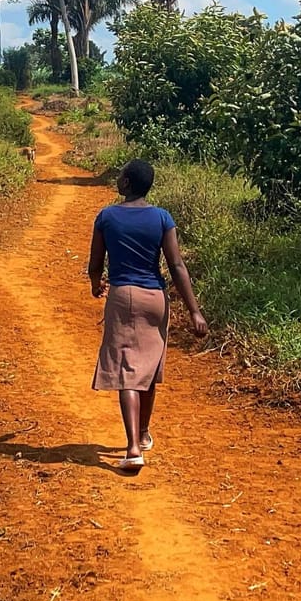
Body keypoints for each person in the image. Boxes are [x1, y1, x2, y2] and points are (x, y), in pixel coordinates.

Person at [87, 158, 208, 471]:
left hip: (124, 295)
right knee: (149, 369)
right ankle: (142, 433)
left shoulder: (107, 216)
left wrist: (95, 283)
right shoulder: (162, 217)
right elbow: (177, 265)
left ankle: (132, 449)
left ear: (126, 183)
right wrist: (194, 311)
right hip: (156, 297)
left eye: (121, 175)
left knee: (128, 370)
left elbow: (96, 262)